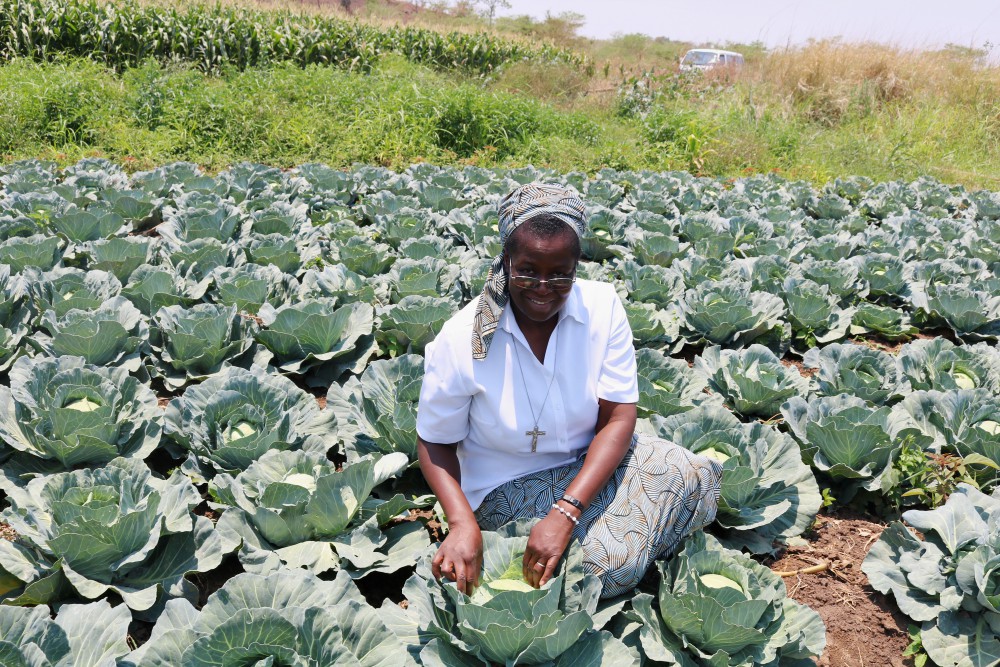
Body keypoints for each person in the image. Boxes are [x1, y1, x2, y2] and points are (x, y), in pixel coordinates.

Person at [416, 183, 722, 598]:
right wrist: (461, 523)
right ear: (505, 260)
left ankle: (627, 535)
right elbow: (434, 442)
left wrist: (566, 511)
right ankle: (636, 546)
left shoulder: (602, 307)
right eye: (526, 269)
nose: (543, 286)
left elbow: (618, 417)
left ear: (577, 265)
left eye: (560, 272)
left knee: (691, 471)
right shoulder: (461, 338)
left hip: (586, 467)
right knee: (608, 564)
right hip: (505, 490)